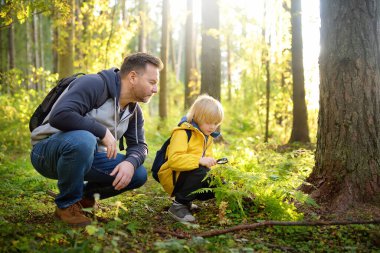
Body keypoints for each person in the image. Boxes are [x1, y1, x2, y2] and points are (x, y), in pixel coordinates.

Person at [30, 52, 163, 227]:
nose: (155, 89)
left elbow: (139, 146)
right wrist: (102, 131)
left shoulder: (134, 111)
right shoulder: (94, 84)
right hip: (47, 151)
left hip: (86, 157)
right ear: (132, 77)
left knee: (137, 174)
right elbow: (60, 116)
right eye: (152, 82)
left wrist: (130, 163)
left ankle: (84, 200)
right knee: (85, 139)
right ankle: (67, 205)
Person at [157, 94, 224, 222]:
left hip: (189, 174)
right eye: (209, 122)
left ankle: (186, 201)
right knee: (201, 172)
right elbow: (174, 160)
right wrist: (199, 160)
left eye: (216, 123)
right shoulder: (182, 133)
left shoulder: (207, 137)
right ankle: (178, 205)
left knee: (217, 182)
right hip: (173, 177)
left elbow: (207, 158)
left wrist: (212, 163)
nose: (212, 127)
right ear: (197, 117)